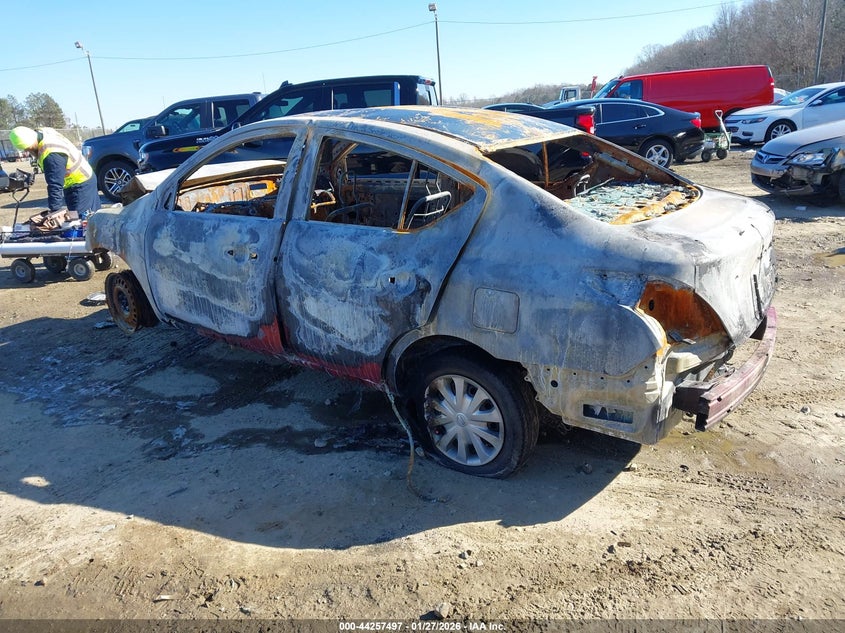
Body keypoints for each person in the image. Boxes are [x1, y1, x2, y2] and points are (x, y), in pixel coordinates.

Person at [8, 126, 101, 220]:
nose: (28, 151)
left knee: (84, 222)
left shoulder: (51, 154)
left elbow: (55, 185)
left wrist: (55, 211)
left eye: (28, 149)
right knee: (83, 219)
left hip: (81, 183)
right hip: (76, 181)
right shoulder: (43, 132)